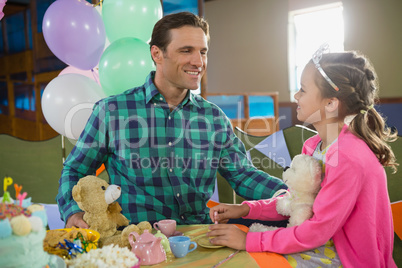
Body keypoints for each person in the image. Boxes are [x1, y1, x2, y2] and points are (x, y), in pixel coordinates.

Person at [57, 12, 287, 229]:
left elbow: (242, 174)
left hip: (199, 239)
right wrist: (72, 211)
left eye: (203, 52)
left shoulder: (214, 118)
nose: (198, 62)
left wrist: (289, 196)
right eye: (186, 50)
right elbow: (75, 169)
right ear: (157, 54)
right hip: (135, 241)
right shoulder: (111, 111)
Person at [208, 45, 398, 267]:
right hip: (322, 245)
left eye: (303, 90)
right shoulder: (314, 145)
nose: (296, 96)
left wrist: (249, 240)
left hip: (347, 259)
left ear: (330, 103)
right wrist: (246, 208)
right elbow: (297, 202)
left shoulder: (348, 157)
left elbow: (316, 231)